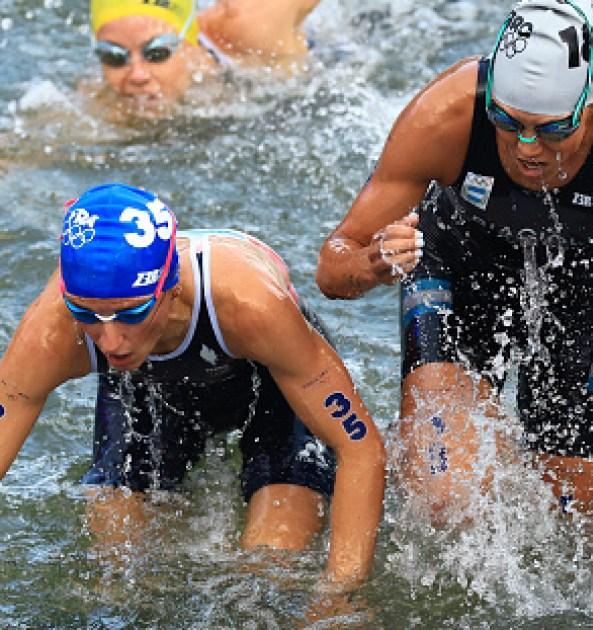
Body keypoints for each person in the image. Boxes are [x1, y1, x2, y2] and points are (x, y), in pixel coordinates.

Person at [316, 0, 593, 520]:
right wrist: (371, 264)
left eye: (552, 130)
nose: (527, 148)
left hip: (590, 283)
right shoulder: (448, 113)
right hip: (461, 263)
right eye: (506, 121)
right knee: (444, 497)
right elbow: (332, 268)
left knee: (568, 528)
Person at [0, 183, 385, 592]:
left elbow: (360, 449)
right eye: (85, 312)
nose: (110, 341)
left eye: (132, 313)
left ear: (170, 287)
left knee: (270, 573)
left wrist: (340, 597)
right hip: (145, 392)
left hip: (271, 389)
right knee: (116, 576)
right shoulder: (54, 332)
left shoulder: (249, 305)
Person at [88, 0, 320, 114]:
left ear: (190, 44)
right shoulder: (101, 103)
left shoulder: (248, 27)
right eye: (114, 57)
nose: (137, 75)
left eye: (157, 53)